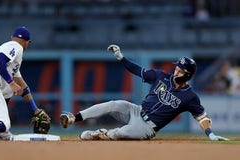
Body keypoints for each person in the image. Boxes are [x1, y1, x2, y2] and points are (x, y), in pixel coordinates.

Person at [60, 44, 229, 141]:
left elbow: (202, 118)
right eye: (176, 68)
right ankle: (74, 118)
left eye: (180, 70)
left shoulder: (190, 97)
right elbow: (137, 70)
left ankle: (100, 134)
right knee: (113, 104)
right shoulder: (161, 76)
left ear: (188, 75)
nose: (176, 71)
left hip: (147, 127)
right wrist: (121, 58)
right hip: (136, 110)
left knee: (122, 133)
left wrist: (211, 134)